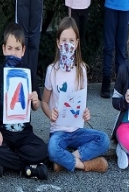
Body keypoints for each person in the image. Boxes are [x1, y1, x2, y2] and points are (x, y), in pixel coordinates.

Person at [41, 17, 109, 173]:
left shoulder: (81, 70)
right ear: (58, 43)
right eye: (64, 40)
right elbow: (44, 102)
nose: (67, 44)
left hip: (77, 129)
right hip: (58, 130)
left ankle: (66, 160)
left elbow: (81, 104)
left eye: (71, 40)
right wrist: (50, 113)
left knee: (103, 140)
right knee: (52, 148)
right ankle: (86, 165)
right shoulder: (52, 70)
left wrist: (86, 113)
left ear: (77, 43)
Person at [0, 22, 48, 179]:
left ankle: (10, 164)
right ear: (4, 49)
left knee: (42, 150)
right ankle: (27, 167)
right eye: (10, 48)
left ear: (23, 50)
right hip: (4, 133)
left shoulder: (28, 72)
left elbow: (36, 107)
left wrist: (35, 101)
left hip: (24, 134)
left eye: (17, 49)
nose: (13, 53)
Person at [112, 17, 129, 169]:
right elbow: (114, 100)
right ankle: (125, 148)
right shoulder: (124, 69)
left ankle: (128, 155)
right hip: (126, 124)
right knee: (124, 137)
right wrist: (124, 99)